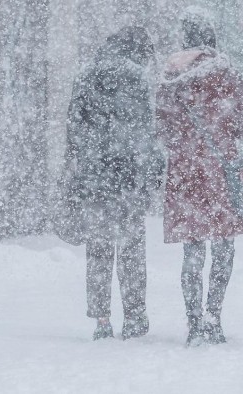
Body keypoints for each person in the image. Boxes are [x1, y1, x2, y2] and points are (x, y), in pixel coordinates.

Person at [155, 7, 243, 346]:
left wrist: (186, 142)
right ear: (211, 35)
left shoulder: (169, 75)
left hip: (185, 171)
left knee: (192, 249)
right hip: (219, 169)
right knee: (223, 246)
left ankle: (194, 321)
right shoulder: (225, 72)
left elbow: (163, 130)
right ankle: (215, 317)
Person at [65, 25, 163, 340]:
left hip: (94, 178)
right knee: (132, 249)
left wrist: (82, 164)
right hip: (128, 179)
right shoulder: (137, 79)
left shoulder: (85, 76)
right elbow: (145, 132)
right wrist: (148, 171)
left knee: (98, 250)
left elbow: (74, 129)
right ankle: (134, 316)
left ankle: (102, 320)